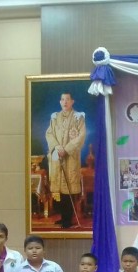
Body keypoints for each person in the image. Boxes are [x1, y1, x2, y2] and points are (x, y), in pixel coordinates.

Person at [46, 92, 86, 229]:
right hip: (57, 156)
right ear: (60, 102)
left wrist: (67, 149)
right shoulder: (54, 117)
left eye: (67, 99)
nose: (65, 102)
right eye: (62, 99)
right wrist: (56, 147)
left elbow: (81, 136)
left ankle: (68, 219)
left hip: (70, 158)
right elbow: (49, 133)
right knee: (60, 190)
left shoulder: (78, 117)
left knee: (68, 189)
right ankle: (63, 217)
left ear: (72, 101)